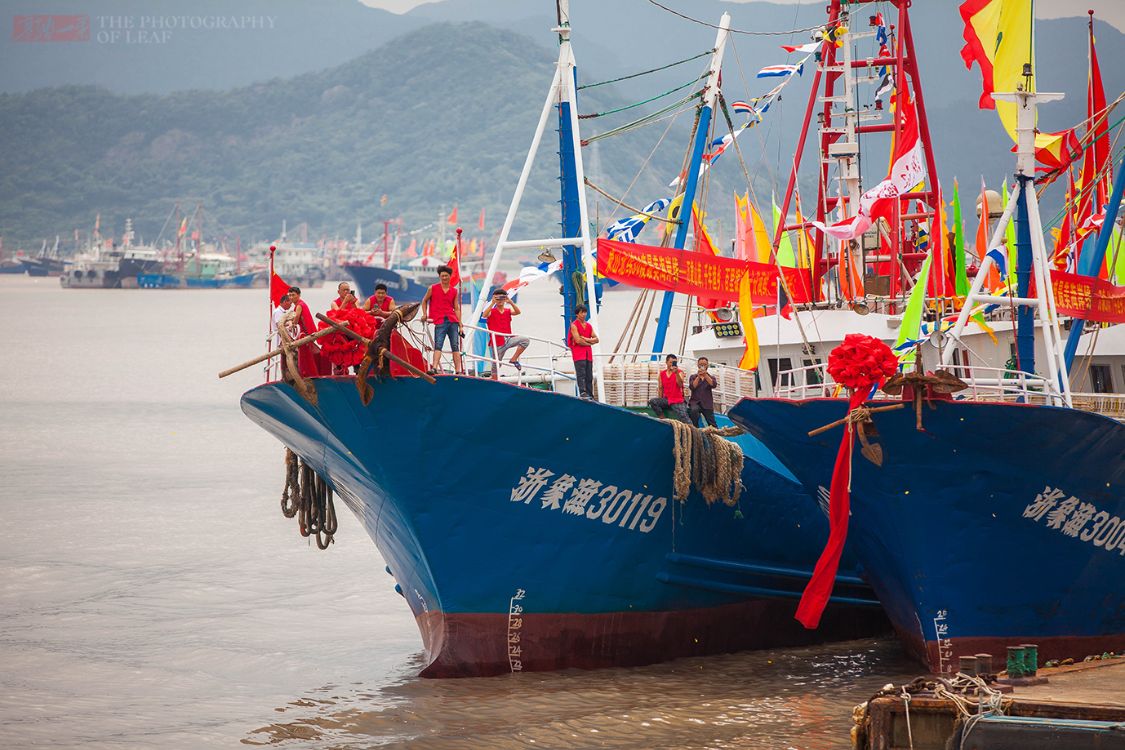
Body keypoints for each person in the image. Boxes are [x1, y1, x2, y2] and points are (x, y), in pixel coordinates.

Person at [421, 265, 463, 374]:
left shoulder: (454, 291)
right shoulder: (433, 288)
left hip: (452, 320)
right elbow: (424, 301)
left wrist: (460, 325)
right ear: (439, 276)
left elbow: (456, 308)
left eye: (446, 276)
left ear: (450, 276)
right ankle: (434, 367)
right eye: (442, 276)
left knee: (455, 345)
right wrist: (425, 314)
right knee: (438, 344)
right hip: (439, 320)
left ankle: (458, 370)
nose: (444, 278)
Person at [482, 288, 529, 378]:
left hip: (508, 339)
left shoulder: (507, 311)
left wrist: (510, 302)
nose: (500, 300)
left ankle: (514, 359)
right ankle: (494, 379)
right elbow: (484, 315)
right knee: (496, 364)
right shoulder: (492, 311)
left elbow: (518, 312)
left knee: (525, 340)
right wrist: (492, 303)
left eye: (502, 298)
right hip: (497, 342)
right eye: (498, 298)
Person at [287, 286, 326, 376]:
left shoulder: (299, 305)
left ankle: (306, 371)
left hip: (307, 333)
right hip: (308, 332)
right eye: (290, 295)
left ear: (299, 295)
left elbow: (296, 319)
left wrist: (290, 323)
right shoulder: (300, 304)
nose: (291, 297)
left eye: (293, 295)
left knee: (305, 353)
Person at [568, 304, 599, 399]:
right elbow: (578, 340)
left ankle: (590, 394)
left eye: (585, 312)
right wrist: (590, 342)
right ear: (577, 314)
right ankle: (583, 392)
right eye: (582, 312)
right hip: (578, 354)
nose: (584, 314)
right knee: (581, 374)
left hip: (588, 355)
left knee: (589, 375)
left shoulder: (589, 326)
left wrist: (586, 339)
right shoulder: (574, 325)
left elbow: (597, 339)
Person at [648, 354, 690, 423]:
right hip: (667, 400)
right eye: (670, 362)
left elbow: (680, 384)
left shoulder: (680, 372)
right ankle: (663, 420)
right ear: (666, 362)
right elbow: (660, 388)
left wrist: (676, 373)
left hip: (677, 400)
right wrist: (660, 400)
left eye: (674, 362)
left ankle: (693, 431)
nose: (672, 364)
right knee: (653, 401)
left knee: (684, 416)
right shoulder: (662, 374)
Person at [271, 294, 299, 380]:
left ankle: (292, 375)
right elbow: (279, 324)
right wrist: (290, 323)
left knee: (292, 357)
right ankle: (286, 376)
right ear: (285, 302)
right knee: (286, 357)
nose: (291, 305)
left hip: (288, 338)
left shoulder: (284, 312)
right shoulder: (277, 312)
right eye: (290, 302)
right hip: (282, 339)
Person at [688, 357, 718, 427]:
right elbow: (692, 387)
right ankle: (695, 429)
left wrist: (705, 375)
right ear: (698, 365)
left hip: (707, 404)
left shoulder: (711, 377)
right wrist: (698, 376)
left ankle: (716, 435)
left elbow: (713, 385)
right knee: (693, 411)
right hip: (695, 402)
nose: (702, 366)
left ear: (707, 365)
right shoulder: (693, 377)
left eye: (704, 364)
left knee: (712, 422)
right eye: (701, 364)